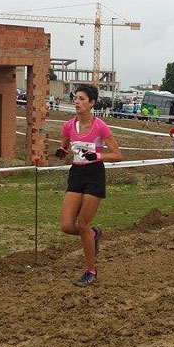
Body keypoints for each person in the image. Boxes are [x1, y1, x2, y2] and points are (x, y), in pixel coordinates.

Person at [55, 85, 123, 286]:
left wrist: (98, 155)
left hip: (94, 174)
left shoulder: (100, 126)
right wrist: (60, 152)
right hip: (76, 173)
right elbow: (64, 147)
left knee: (83, 224)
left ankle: (91, 271)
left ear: (92, 103)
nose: (77, 102)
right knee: (67, 226)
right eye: (75, 98)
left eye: (82, 99)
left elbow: (118, 155)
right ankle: (93, 234)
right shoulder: (68, 126)